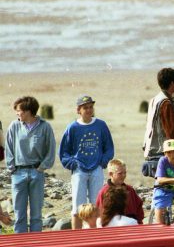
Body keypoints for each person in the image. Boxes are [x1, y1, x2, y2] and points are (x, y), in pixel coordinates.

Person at [59, 95, 114, 229]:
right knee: (78, 207)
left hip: (96, 169)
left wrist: (103, 161)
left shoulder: (101, 125)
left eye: (90, 107)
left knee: (97, 204)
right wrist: (72, 163)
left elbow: (109, 147)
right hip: (79, 170)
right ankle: (76, 239)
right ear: (79, 110)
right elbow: (64, 151)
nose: (89, 110)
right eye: (85, 108)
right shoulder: (72, 127)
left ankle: (96, 235)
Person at [5, 96, 56, 233]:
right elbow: (8, 149)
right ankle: (21, 246)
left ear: (28, 111)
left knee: (36, 215)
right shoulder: (14, 126)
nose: (17, 113)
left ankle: (36, 245)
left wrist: (42, 167)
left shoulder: (45, 127)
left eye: (19, 111)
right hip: (18, 173)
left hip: (37, 173)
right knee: (19, 214)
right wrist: (12, 169)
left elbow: (51, 150)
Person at [143, 67, 174, 159]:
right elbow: (172, 131)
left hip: (151, 150)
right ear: (172, 83)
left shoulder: (154, 100)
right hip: (164, 153)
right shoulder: (166, 103)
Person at [96, 159, 144, 224]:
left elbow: (139, 208)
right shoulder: (104, 192)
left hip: (131, 226)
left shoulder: (130, 190)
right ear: (111, 174)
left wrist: (139, 223)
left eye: (125, 173)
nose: (123, 175)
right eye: (120, 173)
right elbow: (99, 213)